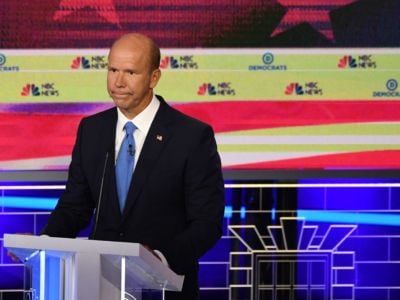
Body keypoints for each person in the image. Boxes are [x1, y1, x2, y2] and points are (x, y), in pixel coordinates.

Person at [41, 33, 225, 299]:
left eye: (130, 72)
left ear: (154, 78)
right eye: (113, 70)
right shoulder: (92, 130)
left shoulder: (191, 136)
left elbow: (207, 223)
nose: (118, 82)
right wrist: (44, 244)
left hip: (163, 287)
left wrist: (159, 259)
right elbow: (75, 206)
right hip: (100, 285)